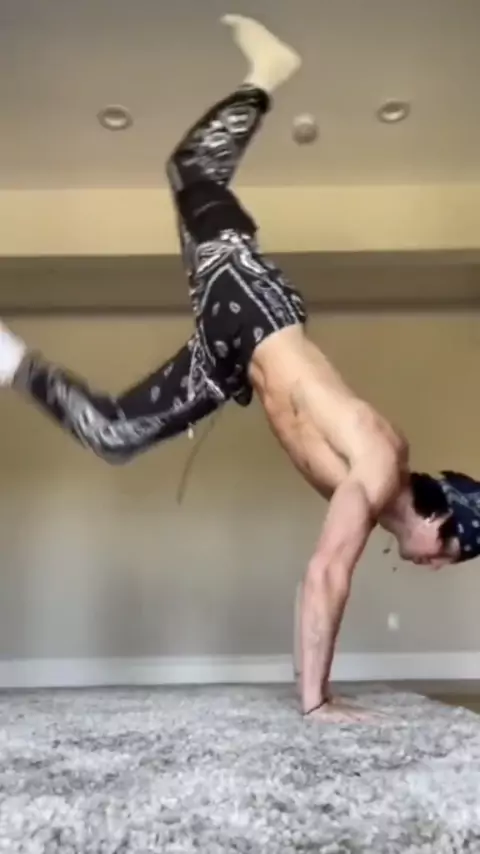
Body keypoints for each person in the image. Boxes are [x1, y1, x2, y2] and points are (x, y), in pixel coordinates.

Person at [1, 15, 480, 723]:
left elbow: (318, 581)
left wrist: (312, 684)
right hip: (254, 315)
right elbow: (326, 574)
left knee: (113, 433)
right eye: (450, 554)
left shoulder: (374, 493)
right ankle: (265, 75)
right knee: (189, 171)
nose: (435, 566)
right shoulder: (381, 462)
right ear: (442, 523)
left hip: (235, 354)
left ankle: (4, 355)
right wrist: (316, 704)